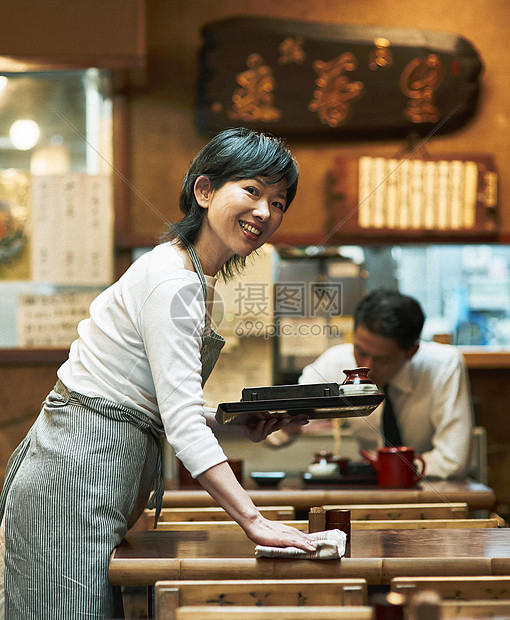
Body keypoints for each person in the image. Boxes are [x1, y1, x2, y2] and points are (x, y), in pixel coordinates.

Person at [0, 127, 315, 619]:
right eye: (252, 190)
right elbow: (179, 420)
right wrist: (256, 522)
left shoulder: (194, 277)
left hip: (96, 472)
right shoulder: (174, 281)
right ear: (205, 191)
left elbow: (153, 399)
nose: (264, 212)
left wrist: (229, 419)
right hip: (74, 475)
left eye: (278, 203)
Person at [298, 288, 474, 479]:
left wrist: (388, 468)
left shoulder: (443, 366)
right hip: (366, 489)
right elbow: (276, 425)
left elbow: (453, 460)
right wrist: (294, 422)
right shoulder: (337, 363)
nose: (367, 368)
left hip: (429, 487)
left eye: (382, 360)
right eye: (361, 352)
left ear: (411, 351)